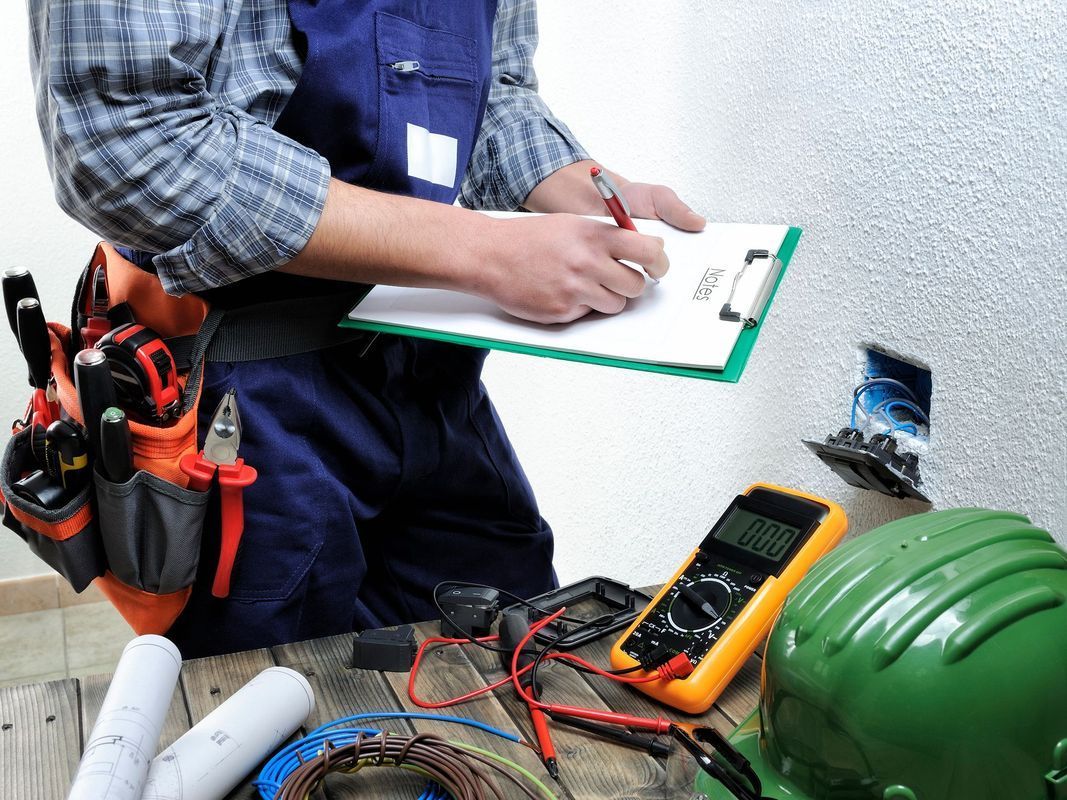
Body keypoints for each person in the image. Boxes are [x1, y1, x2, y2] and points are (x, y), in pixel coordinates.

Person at [28, 0, 705, 657]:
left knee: (515, 662)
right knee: (270, 711)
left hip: (428, 371)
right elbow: (129, 144)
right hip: (240, 395)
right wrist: (483, 252)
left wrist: (570, 182)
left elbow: (489, 88)